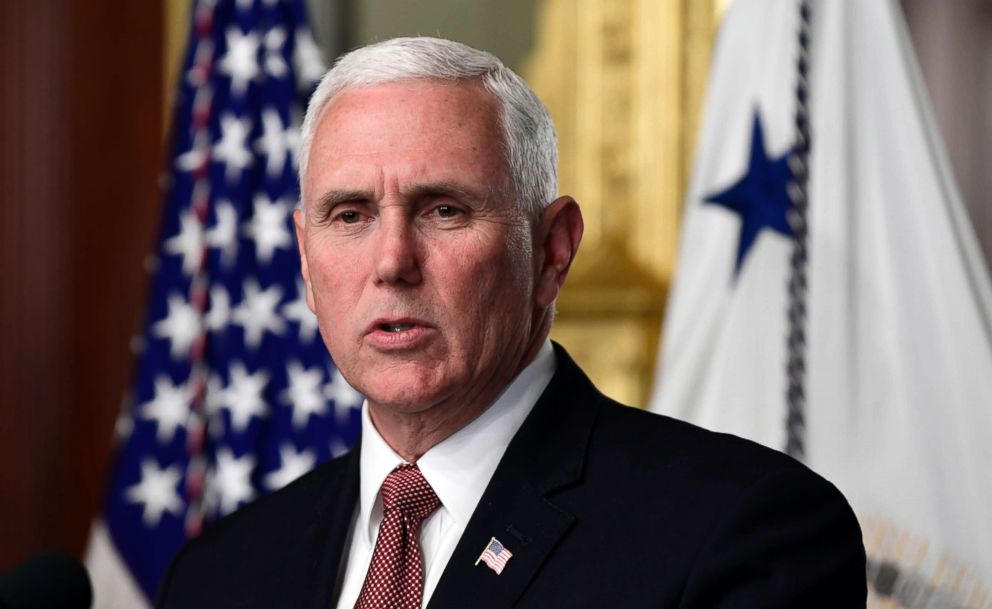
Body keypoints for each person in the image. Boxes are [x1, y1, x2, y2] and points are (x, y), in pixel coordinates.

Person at [156, 37, 866, 609]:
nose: (393, 261)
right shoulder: (219, 574)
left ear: (553, 250)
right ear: (308, 264)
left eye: (444, 209)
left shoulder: (739, 530)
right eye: (351, 215)